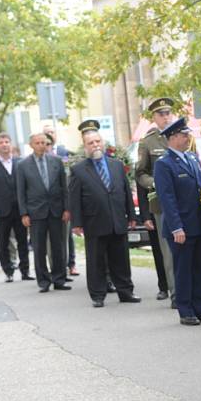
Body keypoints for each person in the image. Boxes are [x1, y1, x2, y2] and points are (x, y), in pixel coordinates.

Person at [69, 120, 140, 308]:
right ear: (85, 147)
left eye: (98, 141)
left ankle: (126, 291)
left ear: (103, 143)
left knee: (121, 259)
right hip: (94, 222)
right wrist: (76, 223)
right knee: (96, 261)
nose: (95, 145)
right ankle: (98, 295)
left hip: (117, 220)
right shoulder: (78, 170)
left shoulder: (116, 165)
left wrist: (131, 216)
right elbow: (74, 198)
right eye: (91, 143)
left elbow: (125, 191)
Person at [154, 117, 201, 326]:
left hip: (198, 224)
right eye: (183, 134)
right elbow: (167, 199)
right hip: (181, 227)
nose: (187, 137)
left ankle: (200, 307)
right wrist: (176, 227)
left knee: (199, 268)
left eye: (187, 134)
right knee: (183, 269)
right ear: (172, 138)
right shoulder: (164, 164)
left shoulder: (191, 158)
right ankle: (185, 310)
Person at [16, 133, 71, 293]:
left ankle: (59, 279)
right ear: (31, 145)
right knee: (39, 248)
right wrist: (24, 213)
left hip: (56, 211)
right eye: (38, 143)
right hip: (35, 212)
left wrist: (67, 208)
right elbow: (21, 191)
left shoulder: (56, 162)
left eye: (44, 142)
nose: (41, 145)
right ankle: (43, 281)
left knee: (58, 247)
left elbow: (64, 187)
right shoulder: (23, 165)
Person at [135, 97, 177, 305]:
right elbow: (140, 173)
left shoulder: (182, 135)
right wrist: (155, 183)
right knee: (168, 250)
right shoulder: (148, 142)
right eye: (161, 114)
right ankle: (175, 293)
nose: (166, 117)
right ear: (154, 118)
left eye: (168, 112)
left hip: (183, 200)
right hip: (161, 203)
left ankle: (190, 290)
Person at [0, 133, 32, 282]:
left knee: (23, 241)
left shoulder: (20, 162)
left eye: (7, 142)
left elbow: (27, 187)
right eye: (1, 142)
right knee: (3, 242)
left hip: (20, 210)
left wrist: (27, 208)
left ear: (10, 144)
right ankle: (8, 271)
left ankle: (25, 271)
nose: (4, 145)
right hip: (0, 210)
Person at [44, 126, 77, 277]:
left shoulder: (63, 153)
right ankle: (57, 268)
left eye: (52, 132)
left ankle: (71, 264)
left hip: (63, 204)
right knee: (52, 240)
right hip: (46, 207)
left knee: (67, 236)